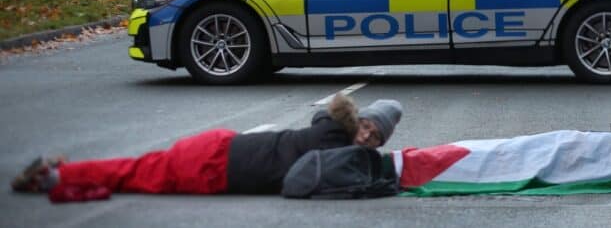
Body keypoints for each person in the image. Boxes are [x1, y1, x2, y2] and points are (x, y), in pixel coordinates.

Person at [11, 94, 402, 200]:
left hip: (221, 148)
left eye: (376, 137)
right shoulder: (337, 141)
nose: (367, 138)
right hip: (214, 166)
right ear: (358, 120)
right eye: (367, 127)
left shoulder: (329, 127)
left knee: (136, 169)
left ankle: (59, 174)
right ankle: (56, 177)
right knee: (132, 175)